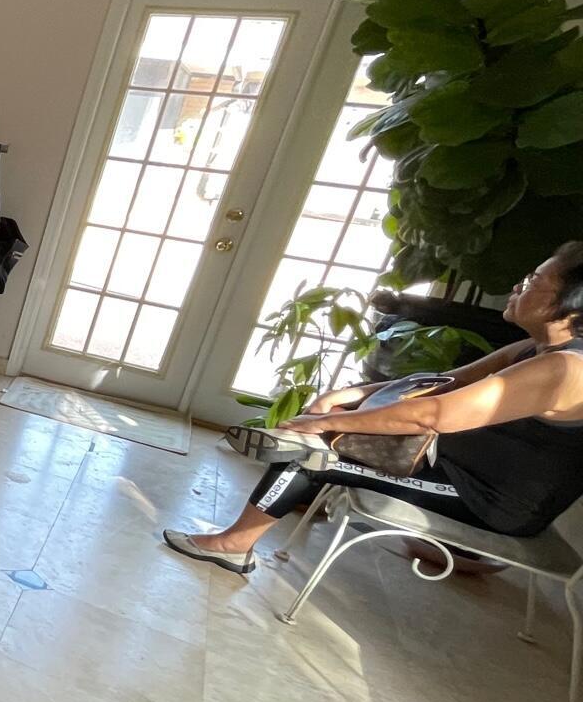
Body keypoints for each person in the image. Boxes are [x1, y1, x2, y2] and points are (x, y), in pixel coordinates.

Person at [167, 244, 583, 573]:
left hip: (485, 500)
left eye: (533, 280)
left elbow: (435, 413)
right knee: (321, 439)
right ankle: (240, 536)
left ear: (573, 306)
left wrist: (329, 420)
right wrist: (350, 395)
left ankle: (233, 547)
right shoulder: (536, 349)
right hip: (457, 471)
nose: (518, 285)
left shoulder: (563, 369)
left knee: (312, 454)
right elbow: (446, 382)